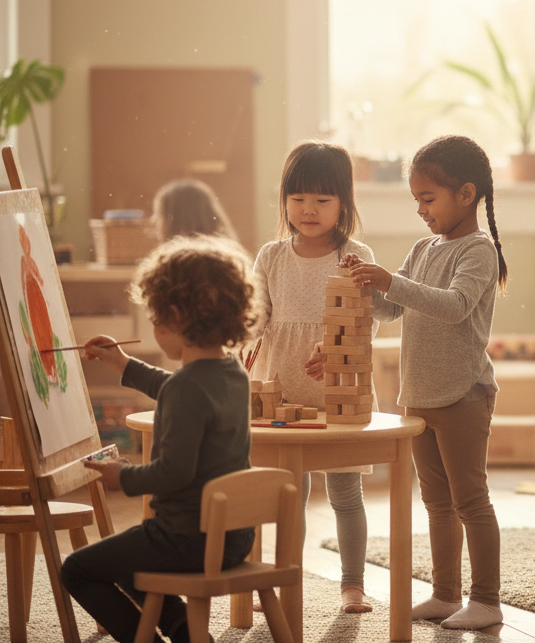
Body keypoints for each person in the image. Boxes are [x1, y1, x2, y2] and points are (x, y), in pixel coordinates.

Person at [333, 134, 508, 630]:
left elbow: (453, 307)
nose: (421, 210)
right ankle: (446, 593)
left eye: (428, 199)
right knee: (436, 502)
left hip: (463, 396)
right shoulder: (424, 247)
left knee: (470, 500)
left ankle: (487, 599)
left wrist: (389, 279)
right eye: (417, 200)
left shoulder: (479, 251)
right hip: (420, 396)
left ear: (467, 194)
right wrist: (366, 285)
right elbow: (391, 310)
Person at [61, 236, 260, 643]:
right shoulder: (232, 373)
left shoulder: (188, 388)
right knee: (126, 557)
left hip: (186, 539)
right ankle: (182, 630)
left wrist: (124, 477)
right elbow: (178, 388)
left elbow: (174, 471)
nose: (152, 328)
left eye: (154, 319)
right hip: (234, 537)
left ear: (174, 317)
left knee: (76, 569)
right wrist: (124, 362)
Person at [251, 140, 397, 614]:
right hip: (283, 390)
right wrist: (241, 341)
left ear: (343, 204)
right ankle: (282, 577)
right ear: (284, 201)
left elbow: (365, 317)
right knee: (288, 494)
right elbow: (257, 314)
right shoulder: (271, 256)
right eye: (297, 198)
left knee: (345, 493)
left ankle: (352, 583)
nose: (308, 209)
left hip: (340, 394)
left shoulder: (355, 255)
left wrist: (334, 350)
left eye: (321, 199)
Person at [151, 178, 239, 243]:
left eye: (159, 215)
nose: (154, 221)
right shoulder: (233, 259)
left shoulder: (171, 265)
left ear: (176, 221)